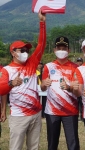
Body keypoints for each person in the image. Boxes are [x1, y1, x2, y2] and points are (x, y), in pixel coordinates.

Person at [0, 11, 46, 150]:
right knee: (16, 147)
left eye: (27, 49)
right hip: (19, 117)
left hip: (36, 114)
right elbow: (1, 89)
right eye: (22, 50)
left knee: (33, 147)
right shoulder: (7, 70)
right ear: (13, 52)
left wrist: (42, 23)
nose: (26, 52)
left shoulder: (32, 63)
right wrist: (11, 84)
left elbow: (41, 44)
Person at [41, 36, 80, 150]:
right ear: (54, 50)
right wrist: (44, 83)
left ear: (69, 50)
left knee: (73, 144)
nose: (61, 51)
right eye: (59, 48)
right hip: (52, 112)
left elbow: (77, 90)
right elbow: (43, 87)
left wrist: (69, 87)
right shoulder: (48, 66)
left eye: (64, 48)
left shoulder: (75, 67)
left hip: (70, 111)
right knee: (52, 144)